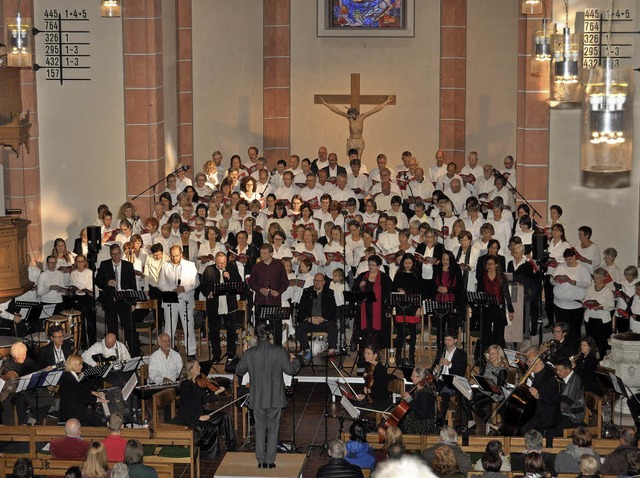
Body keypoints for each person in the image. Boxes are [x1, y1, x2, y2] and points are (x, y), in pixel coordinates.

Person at [236, 323, 301, 468]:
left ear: (257, 336)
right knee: (273, 429)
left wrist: (244, 354)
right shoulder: (279, 351)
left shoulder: (250, 353)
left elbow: (239, 371)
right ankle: (270, 461)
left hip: (257, 398)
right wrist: (295, 359)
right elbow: (290, 370)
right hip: (275, 397)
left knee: (259, 428)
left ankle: (260, 461)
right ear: (270, 335)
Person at [177, 358, 236, 458]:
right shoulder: (185, 385)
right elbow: (186, 407)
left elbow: (204, 399)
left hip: (200, 412)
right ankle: (209, 454)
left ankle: (231, 447)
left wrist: (217, 392)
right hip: (191, 417)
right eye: (197, 366)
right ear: (191, 370)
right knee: (212, 428)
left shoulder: (196, 382)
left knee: (224, 417)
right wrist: (199, 417)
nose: (200, 368)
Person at [95, 243, 141, 356]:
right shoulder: (104, 264)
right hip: (110, 300)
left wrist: (133, 302)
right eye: (113, 255)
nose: (116, 257)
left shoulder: (128, 265)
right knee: (112, 328)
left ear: (121, 253)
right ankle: (114, 353)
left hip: (124, 300)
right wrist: (107, 283)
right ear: (110, 254)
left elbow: (133, 285)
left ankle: (133, 351)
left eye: (118, 254)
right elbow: (97, 281)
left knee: (129, 327)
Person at [319, 95, 393, 158]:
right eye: (350, 115)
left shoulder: (362, 117)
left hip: (359, 140)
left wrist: (386, 102)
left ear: (355, 113)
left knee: (358, 159)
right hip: (351, 141)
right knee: (352, 159)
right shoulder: (349, 118)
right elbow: (337, 110)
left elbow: (374, 110)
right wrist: (324, 103)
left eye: (352, 115)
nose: (350, 116)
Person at [158, 244, 199, 358]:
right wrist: (172, 291)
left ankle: (191, 352)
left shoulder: (190, 265)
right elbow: (160, 283)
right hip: (170, 299)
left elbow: (195, 282)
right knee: (169, 327)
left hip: (185, 298)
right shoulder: (165, 265)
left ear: (181, 254)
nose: (175, 258)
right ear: (169, 255)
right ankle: (168, 350)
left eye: (177, 255)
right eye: (172, 256)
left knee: (188, 326)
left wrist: (183, 288)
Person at [201, 252, 243, 362]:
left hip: (229, 304)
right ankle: (216, 355)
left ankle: (231, 353)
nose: (221, 265)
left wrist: (230, 278)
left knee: (231, 331)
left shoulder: (232, 268)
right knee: (214, 331)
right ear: (215, 261)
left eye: (224, 263)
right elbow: (203, 285)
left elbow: (239, 284)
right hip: (214, 305)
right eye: (219, 263)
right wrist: (208, 293)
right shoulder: (209, 270)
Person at [0, 341, 51, 425]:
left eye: (25, 354)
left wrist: (44, 371)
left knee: (48, 398)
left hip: (28, 389)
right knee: (20, 399)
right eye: (21, 356)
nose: (24, 357)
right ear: (14, 356)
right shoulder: (7, 362)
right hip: (12, 393)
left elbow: (37, 372)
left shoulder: (28, 361)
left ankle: (33, 419)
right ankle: (21, 425)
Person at [248, 244, 289, 346]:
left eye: (265, 253)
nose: (262, 255)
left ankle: (278, 350)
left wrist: (278, 291)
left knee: (276, 329)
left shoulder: (279, 265)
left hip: (274, 302)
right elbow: (251, 282)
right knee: (260, 328)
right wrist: (259, 289)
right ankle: (260, 349)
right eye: (261, 253)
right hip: (260, 301)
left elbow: (285, 282)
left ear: (271, 253)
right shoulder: (257, 266)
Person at [551, 247, 590, 355]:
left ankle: (573, 351)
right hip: (560, 304)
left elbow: (587, 283)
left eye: (569, 259)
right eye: (566, 259)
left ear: (574, 257)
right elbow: (552, 280)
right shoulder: (560, 266)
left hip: (575, 306)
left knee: (574, 330)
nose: (568, 262)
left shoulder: (582, 268)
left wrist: (575, 283)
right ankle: (561, 349)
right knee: (560, 329)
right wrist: (555, 280)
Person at [296, 273, 338, 362]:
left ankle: (331, 351)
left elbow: (333, 310)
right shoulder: (307, 291)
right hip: (310, 320)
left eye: (319, 281)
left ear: (323, 282)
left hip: (323, 321)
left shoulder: (329, 293)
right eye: (315, 281)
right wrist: (309, 318)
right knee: (300, 328)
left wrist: (323, 318)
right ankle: (307, 350)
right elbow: (301, 309)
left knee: (333, 327)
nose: (317, 283)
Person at [518, 346, 560, 436]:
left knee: (523, 427)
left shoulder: (549, 378)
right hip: (537, 411)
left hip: (546, 416)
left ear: (537, 363)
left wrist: (538, 396)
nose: (527, 363)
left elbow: (554, 400)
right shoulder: (538, 374)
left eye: (529, 361)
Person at [354, 255, 392, 349]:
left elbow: (389, 293)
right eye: (369, 264)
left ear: (379, 266)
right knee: (365, 331)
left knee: (376, 332)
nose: (370, 267)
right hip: (364, 309)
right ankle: (365, 351)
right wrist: (359, 285)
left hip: (379, 310)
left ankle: (376, 351)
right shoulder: (362, 276)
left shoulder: (384, 277)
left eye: (373, 265)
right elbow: (354, 291)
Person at [59, 354, 108, 426]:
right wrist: (99, 400)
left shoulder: (67, 375)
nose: (82, 366)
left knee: (97, 416)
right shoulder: (70, 380)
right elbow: (81, 396)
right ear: (74, 365)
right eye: (80, 365)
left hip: (69, 408)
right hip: (72, 412)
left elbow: (79, 390)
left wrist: (93, 392)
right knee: (102, 420)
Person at [477, 255, 514, 349]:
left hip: (498, 308)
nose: (489, 266)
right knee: (486, 335)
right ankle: (485, 356)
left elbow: (506, 294)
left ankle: (499, 357)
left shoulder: (502, 277)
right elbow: (479, 293)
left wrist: (510, 310)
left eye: (492, 264)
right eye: (488, 264)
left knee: (499, 335)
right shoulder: (483, 277)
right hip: (486, 308)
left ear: (496, 265)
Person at [430, 330, 467, 425]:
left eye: (449, 340)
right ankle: (435, 416)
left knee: (445, 394)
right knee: (426, 390)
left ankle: (442, 420)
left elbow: (461, 372)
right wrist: (436, 369)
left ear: (455, 340)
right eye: (445, 340)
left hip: (453, 381)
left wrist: (449, 364)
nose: (447, 342)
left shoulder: (462, 354)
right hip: (441, 381)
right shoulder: (441, 351)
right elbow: (432, 368)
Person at [391, 253, 422, 365]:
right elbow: (393, 288)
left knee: (413, 331)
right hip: (401, 305)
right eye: (405, 263)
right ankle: (398, 357)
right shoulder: (398, 274)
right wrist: (399, 290)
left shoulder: (416, 274)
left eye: (410, 263)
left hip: (413, 306)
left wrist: (419, 307)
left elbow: (419, 291)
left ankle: (411, 356)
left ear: (413, 263)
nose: (407, 265)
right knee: (401, 332)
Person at [583, 267, 615, 360]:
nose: (595, 279)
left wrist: (600, 307)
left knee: (602, 343)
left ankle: (602, 361)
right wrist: (585, 305)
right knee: (590, 343)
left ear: (603, 278)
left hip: (602, 320)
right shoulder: (590, 288)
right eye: (594, 277)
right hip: (590, 318)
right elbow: (586, 300)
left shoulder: (607, 290)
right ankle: (591, 360)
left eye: (598, 277)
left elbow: (611, 306)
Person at [399, 367, 437, 435]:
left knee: (399, 424)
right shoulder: (417, 389)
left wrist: (410, 400)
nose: (411, 377)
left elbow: (422, 415)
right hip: (418, 421)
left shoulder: (425, 394)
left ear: (419, 378)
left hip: (423, 427)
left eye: (413, 376)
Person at [69, 253, 95, 348]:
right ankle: (83, 343)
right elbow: (72, 284)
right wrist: (76, 289)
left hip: (88, 297)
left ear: (85, 262)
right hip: (78, 298)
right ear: (76, 263)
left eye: (82, 261)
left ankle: (92, 343)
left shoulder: (89, 272)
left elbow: (91, 285)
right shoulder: (73, 273)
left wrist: (85, 289)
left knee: (90, 322)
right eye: (78, 261)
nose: (80, 263)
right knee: (80, 322)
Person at [553, 359, 585, 435]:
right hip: (567, 412)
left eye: (559, 370)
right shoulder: (568, 378)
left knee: (552, 430)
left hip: (573, 417)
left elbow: (565, 403)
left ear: (567, 370)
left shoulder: (574, 381)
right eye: (556, 370)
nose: (557, 372)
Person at [355, 343, 391, 410]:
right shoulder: (369, 367)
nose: (365, 356)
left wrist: (367, 393)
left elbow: (380, 392)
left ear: (375, 355)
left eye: (368, 354)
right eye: (365, 353)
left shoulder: (380, 370)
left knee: (357, 406)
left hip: (379, 403)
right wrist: (364, 395)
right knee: (354, 403)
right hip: (371, 399)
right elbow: (368, 386)